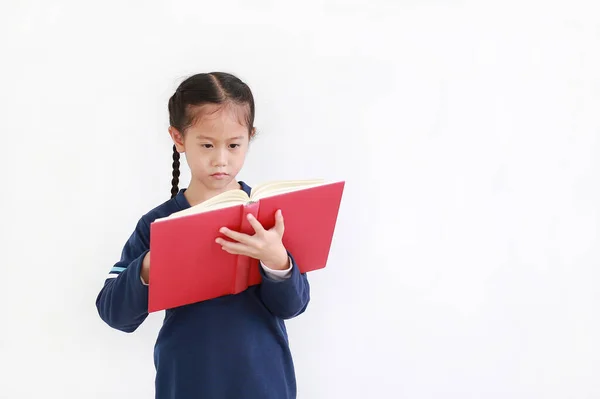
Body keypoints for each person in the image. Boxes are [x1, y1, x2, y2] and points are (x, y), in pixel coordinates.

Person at [95, 72, 310, 399]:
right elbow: (115, 314)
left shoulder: (267, 218)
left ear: (250, 137)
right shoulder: (158, 222)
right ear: (179, 138)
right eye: (207, 144)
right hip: (187, 384)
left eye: (234, 145)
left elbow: (294, 305)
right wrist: (150, 265)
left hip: (263, 384)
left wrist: (276, 260)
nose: (221, 160)